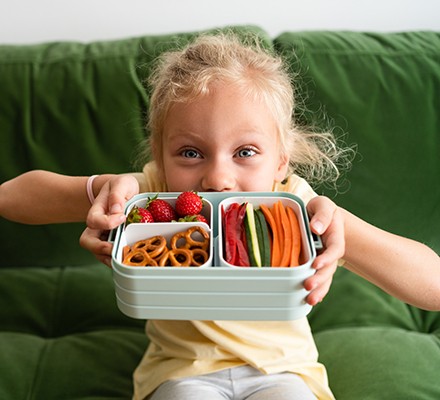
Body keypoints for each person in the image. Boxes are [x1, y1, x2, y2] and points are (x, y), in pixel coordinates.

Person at [1, 33, 439, 400]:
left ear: (281, 162)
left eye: (245, 152)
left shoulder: (298, 205)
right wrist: (99, 189)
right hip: (179, 372)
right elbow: (15, 197)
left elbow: (431, 286)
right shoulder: (151, 193)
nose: (218, 178)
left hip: (284, 371)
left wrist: (341, 227)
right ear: (160, 157)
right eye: (191, 153)